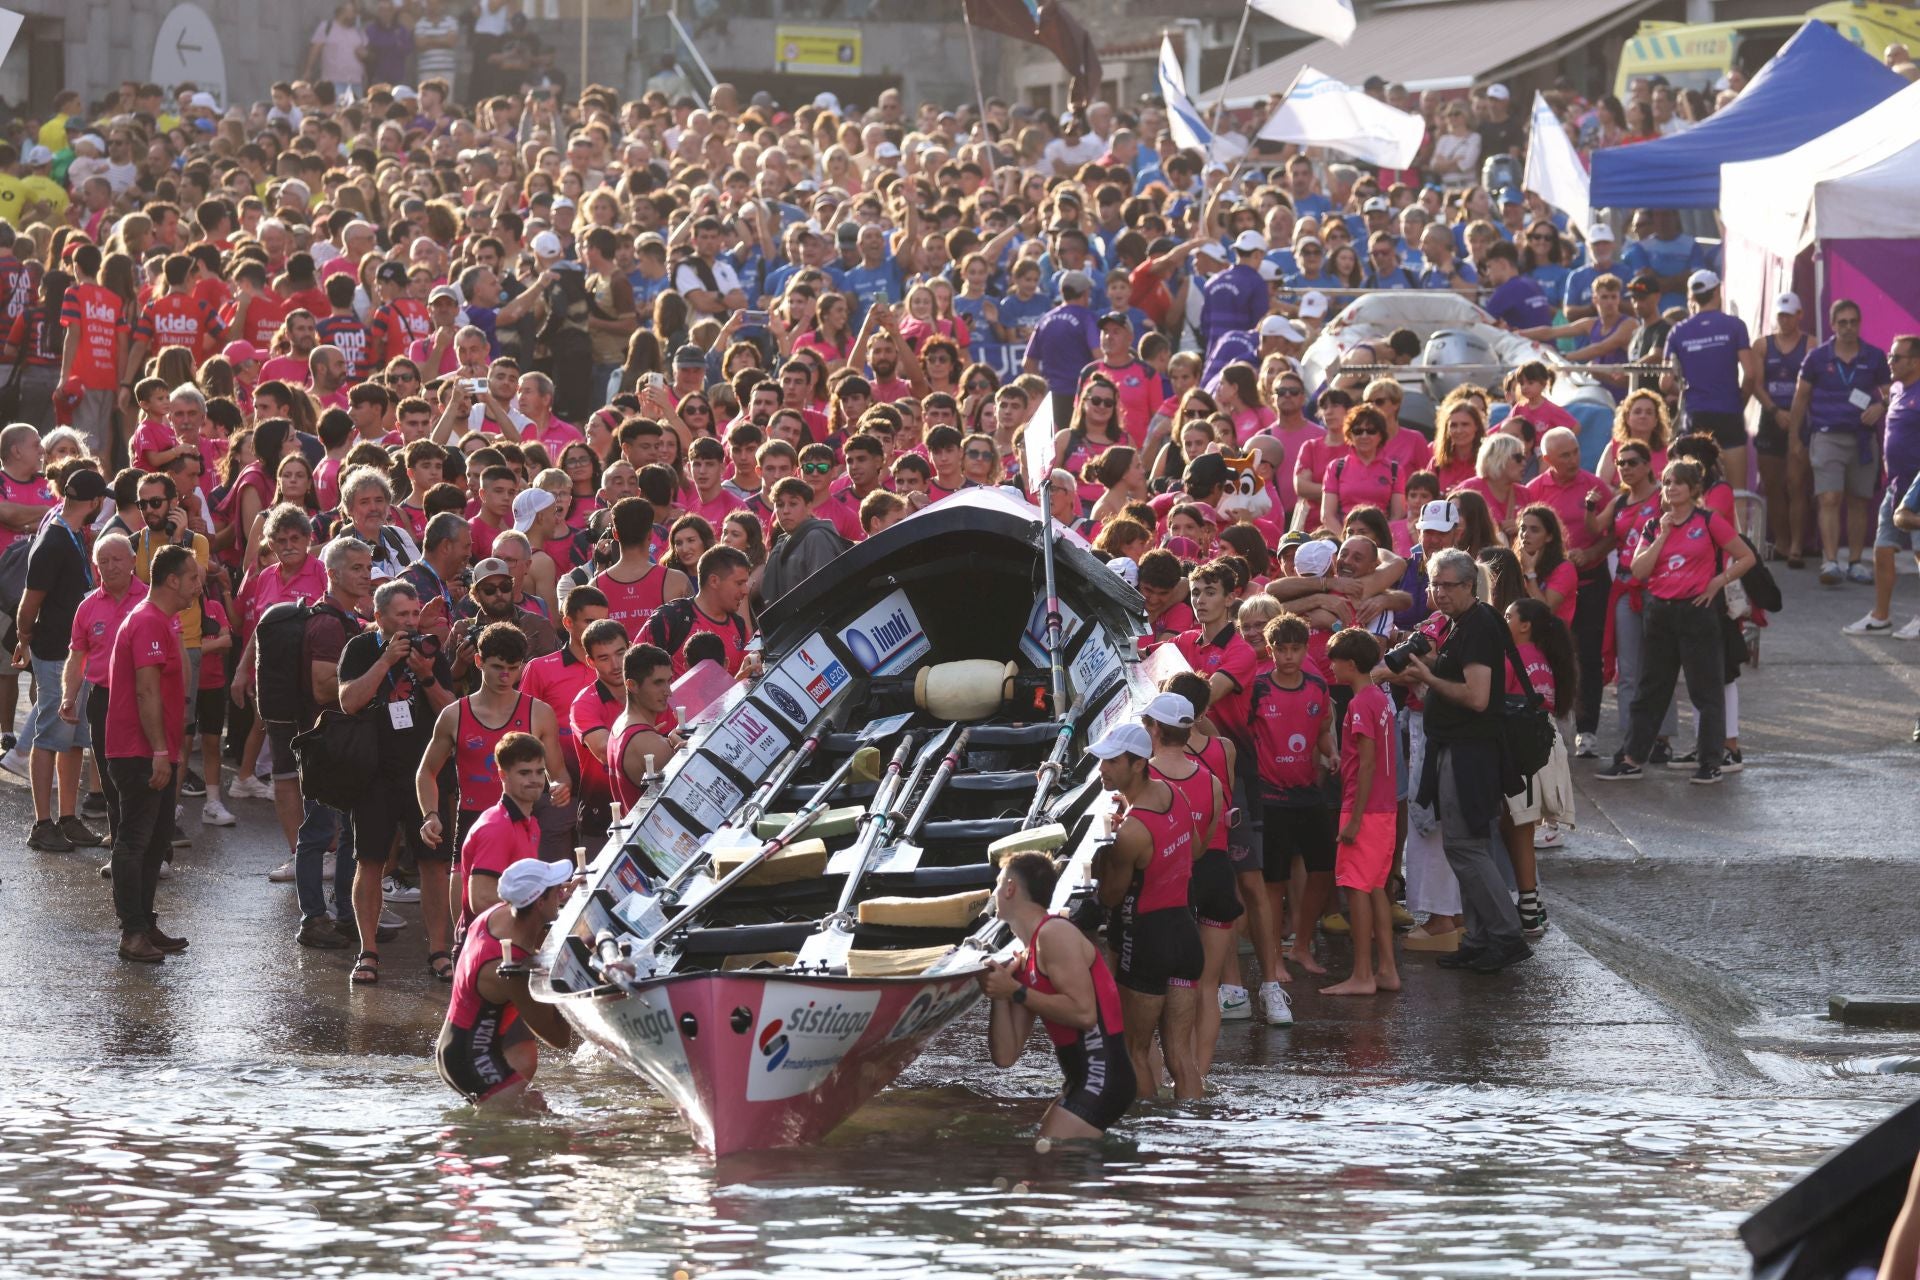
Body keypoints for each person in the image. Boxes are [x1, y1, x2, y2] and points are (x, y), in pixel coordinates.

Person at [1390, 547, 1531, 973]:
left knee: (1465, 847)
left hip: (1472, 752)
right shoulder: (1462, 624)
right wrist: (1429, 662)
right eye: (1434, 583)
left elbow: (1476, 696)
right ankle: (1481, 935)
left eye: (1449, 584)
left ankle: (1504, 936)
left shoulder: (1479, 626)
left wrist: (1428, 677)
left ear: (1470, 585)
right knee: (1470, 846)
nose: (1440, 592)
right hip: (1461, 748)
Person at [1597, 460, 1756, 785]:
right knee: (1650, 689)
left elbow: (1746, 556)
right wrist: (1662, 536)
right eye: (1667, 482)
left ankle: (1710, 761)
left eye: (1678, 483)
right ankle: (1632, 758)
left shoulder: (1709, 520)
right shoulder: (1655, 525)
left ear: (1693, 489)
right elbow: (1639, 571)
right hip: (1660, 613)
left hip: (1697, 612)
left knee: (1705, 690)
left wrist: (1717, 582)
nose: (1671, 488)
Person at [336, 580, 457, 985]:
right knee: (369, 862)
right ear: (379, 616)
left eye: (413, 613)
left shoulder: (429, 650)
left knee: (434, 864)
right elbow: (348, 701)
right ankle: (368, 952)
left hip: (425, 774)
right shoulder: (359, 649)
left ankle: (439, 951)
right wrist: (386, 661)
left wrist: (426, 676)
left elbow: (451, 713)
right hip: (373, 773)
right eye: (401, 614)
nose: (409, 622)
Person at [978, 850, 1136, 1141]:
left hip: (1104, 1077)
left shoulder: (1054, 934)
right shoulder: (1027, 957)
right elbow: (1005, 1055)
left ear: (1010, 887)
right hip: (1083, 1080)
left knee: (1047, 1161)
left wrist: (1015, 991)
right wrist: (1000, 992)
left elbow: (1084, 1014)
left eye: (999, 883)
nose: (996, 892)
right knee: (1045, 1161)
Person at [1089, 721, 1203, 1102]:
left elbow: (1110, 896)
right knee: (1181, 1056)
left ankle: (1147, 1134)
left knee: (1134, 1050)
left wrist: (1106, 853)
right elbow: (1197, 849)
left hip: (1148, 941)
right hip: (1186, 935)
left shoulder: (1131, 833)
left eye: (1110, 762)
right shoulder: (1176, 795)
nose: (1102, 770)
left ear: (1137, 764)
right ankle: (1193, 1137)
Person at [105, 543, 199, 964]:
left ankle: (145, 921)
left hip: (156, 750)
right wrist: (160, 750)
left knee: (157, 840)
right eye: (194, 578)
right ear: (174, 580)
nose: (199, 585)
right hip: (139, 751)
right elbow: (146, 690)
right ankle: (132, 933)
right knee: (135, 841)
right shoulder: (146, 622)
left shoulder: (163, 620)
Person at [416, 621, 570, 869]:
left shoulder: (539, 713)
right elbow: (426, 772)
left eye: (513, 668)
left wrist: (560, 787)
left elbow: (559, 773)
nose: (505, 676)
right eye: (497, 667)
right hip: (472, 824)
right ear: (478, 661)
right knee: (465, 907)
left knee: (520, 907)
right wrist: (430, 814)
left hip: (524, 824)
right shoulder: (454, 715)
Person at [15, 466, 109, 853]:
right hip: (56, 652)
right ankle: (42, 824)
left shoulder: (69, 532)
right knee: (51, 734)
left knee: (72, 739)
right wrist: (23, 639)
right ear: (94, 502)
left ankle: (68, 818)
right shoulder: (55, 540)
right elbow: (28, 602)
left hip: (78, 651)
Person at [435, 853, 578, 1110]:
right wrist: (569, 973)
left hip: (456, 1048)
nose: (561, 892)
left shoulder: (497, 914)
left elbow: (533, 930)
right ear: (538, 902)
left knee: (535, 1115)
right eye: (556, 890)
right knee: (541, 1137)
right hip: (472, 1059)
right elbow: (558, 1038)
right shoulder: (511, 970)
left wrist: (564, 906)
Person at [1790, 300, 1892, 587]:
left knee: (1859, 500)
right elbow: (1801, 398)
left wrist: (1882, 406)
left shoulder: (1874, 356)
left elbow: (1892, 391)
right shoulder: (1817, 357)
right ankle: (1831, 561)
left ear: (1860, 324)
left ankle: (1856, 562)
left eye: (1853, 322)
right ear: (1832, 325)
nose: (1848, 327)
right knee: (1830, 497)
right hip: (1825, 435)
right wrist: (1795, 438)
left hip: (1862, 438)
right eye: (1842, 322)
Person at [1322, 629, 1401, 998]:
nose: (1331, 666)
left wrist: (1353, 818)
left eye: (1334, 660)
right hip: (1383, 809)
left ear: (1349, 664)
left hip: (1364, 810)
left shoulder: (1358, 705)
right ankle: (1386, 970)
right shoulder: (1380, 698)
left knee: (1356, 889)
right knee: (1375, 890)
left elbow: (1366, 765)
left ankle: (1362, 974)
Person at [1841, 336, 1920, 636]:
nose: (1889, 361)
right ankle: (1881, 616)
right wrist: (1879, 405)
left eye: (1896, 357)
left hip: (1919, 489)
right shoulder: (1897, 389)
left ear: (1914, 361)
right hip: (1895, 487)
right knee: (1883, 549)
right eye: (1889, 355)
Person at [1662, 269, 1757, 494]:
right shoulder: (1735, 326)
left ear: (1691, 297)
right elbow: (1751, 373)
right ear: (1717, 292)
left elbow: (1665, 383)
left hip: (1696, 416)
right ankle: (1738, 529)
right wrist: (1738, 402)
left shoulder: (1678, 331)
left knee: (1696, 492)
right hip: (1729, 412)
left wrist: (1687, 389)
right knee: (1738, 492)